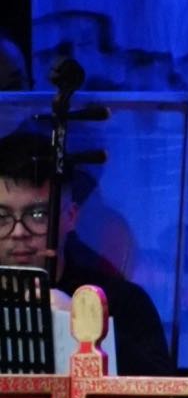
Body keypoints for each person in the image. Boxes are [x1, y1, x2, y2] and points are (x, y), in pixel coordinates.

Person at [0, 127, 173, 375]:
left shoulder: (122, 301)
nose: (18, 232)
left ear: (71, 216)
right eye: (2, 217)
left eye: (38, 215)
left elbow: (161, 392)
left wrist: (87, 327)